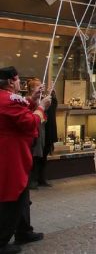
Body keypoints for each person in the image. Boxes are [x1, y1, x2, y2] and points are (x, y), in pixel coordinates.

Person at [0, 66, 51, 253]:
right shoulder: (7, 100)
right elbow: (29, 121)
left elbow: (19, 109)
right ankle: (2, 241)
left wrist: (33, 99)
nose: (19, 82)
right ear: (11, 82)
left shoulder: (8, 99)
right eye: (17, 79)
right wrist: (41, 107)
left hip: (15, 155)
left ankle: (24, 230)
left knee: (22, 194)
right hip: (12, 156)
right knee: (13, 197)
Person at [25, 78, 46, 190]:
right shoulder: (27, 100)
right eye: (38, 85)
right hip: (34, 128)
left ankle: (37, 178)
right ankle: (31, 180)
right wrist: (41, 106)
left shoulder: (39, 98)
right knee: (34, 154)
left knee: (39, 153)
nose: (40, 87)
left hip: (40, 128)